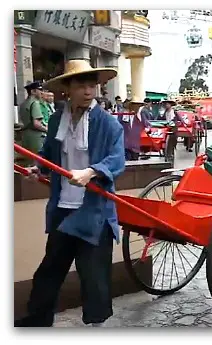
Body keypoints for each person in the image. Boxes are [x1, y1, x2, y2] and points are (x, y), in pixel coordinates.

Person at [15, 59, 125, 327]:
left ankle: (97, 328)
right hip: (63, 206)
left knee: (93, 275)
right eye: (81, 85)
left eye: (92, 85)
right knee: (49, 269)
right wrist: (38, 168)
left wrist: (92, 171)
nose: (88, 91)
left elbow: (117, 159)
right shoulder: (56, 120)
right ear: (68, 88)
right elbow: (50, 154)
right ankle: (38, 320)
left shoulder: (109, 124)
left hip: (94, 210)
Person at [18, 81, 47, 166]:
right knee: (37, 163)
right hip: (36, 137)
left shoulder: (23, 104)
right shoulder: (35, 103)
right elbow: (36, 123)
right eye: (39, 90)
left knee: (28, 163)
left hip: (26, 136)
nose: (42, 92)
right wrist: (47, 130)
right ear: (33, 91)